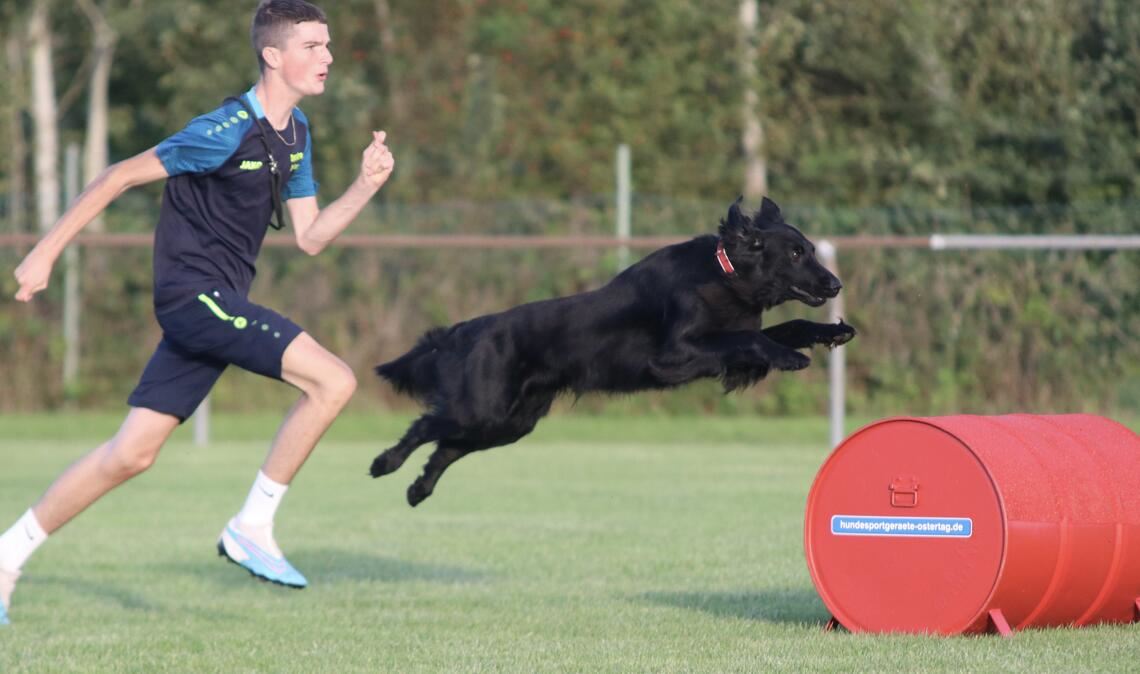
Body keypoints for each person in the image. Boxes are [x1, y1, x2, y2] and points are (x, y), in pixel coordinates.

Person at [0, 0, 393, 625]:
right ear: (273, 55)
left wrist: (365, 186)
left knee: (131, 455)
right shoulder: (222, 130)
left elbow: (312, 237)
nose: (328, 56)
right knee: (333, 380)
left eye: (327, 45)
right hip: (194, 297)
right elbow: (117, 176)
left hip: (217, 304)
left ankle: (6, 556)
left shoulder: (296, 133)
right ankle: (251, 526)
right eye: (313, 46)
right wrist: (44, 253)